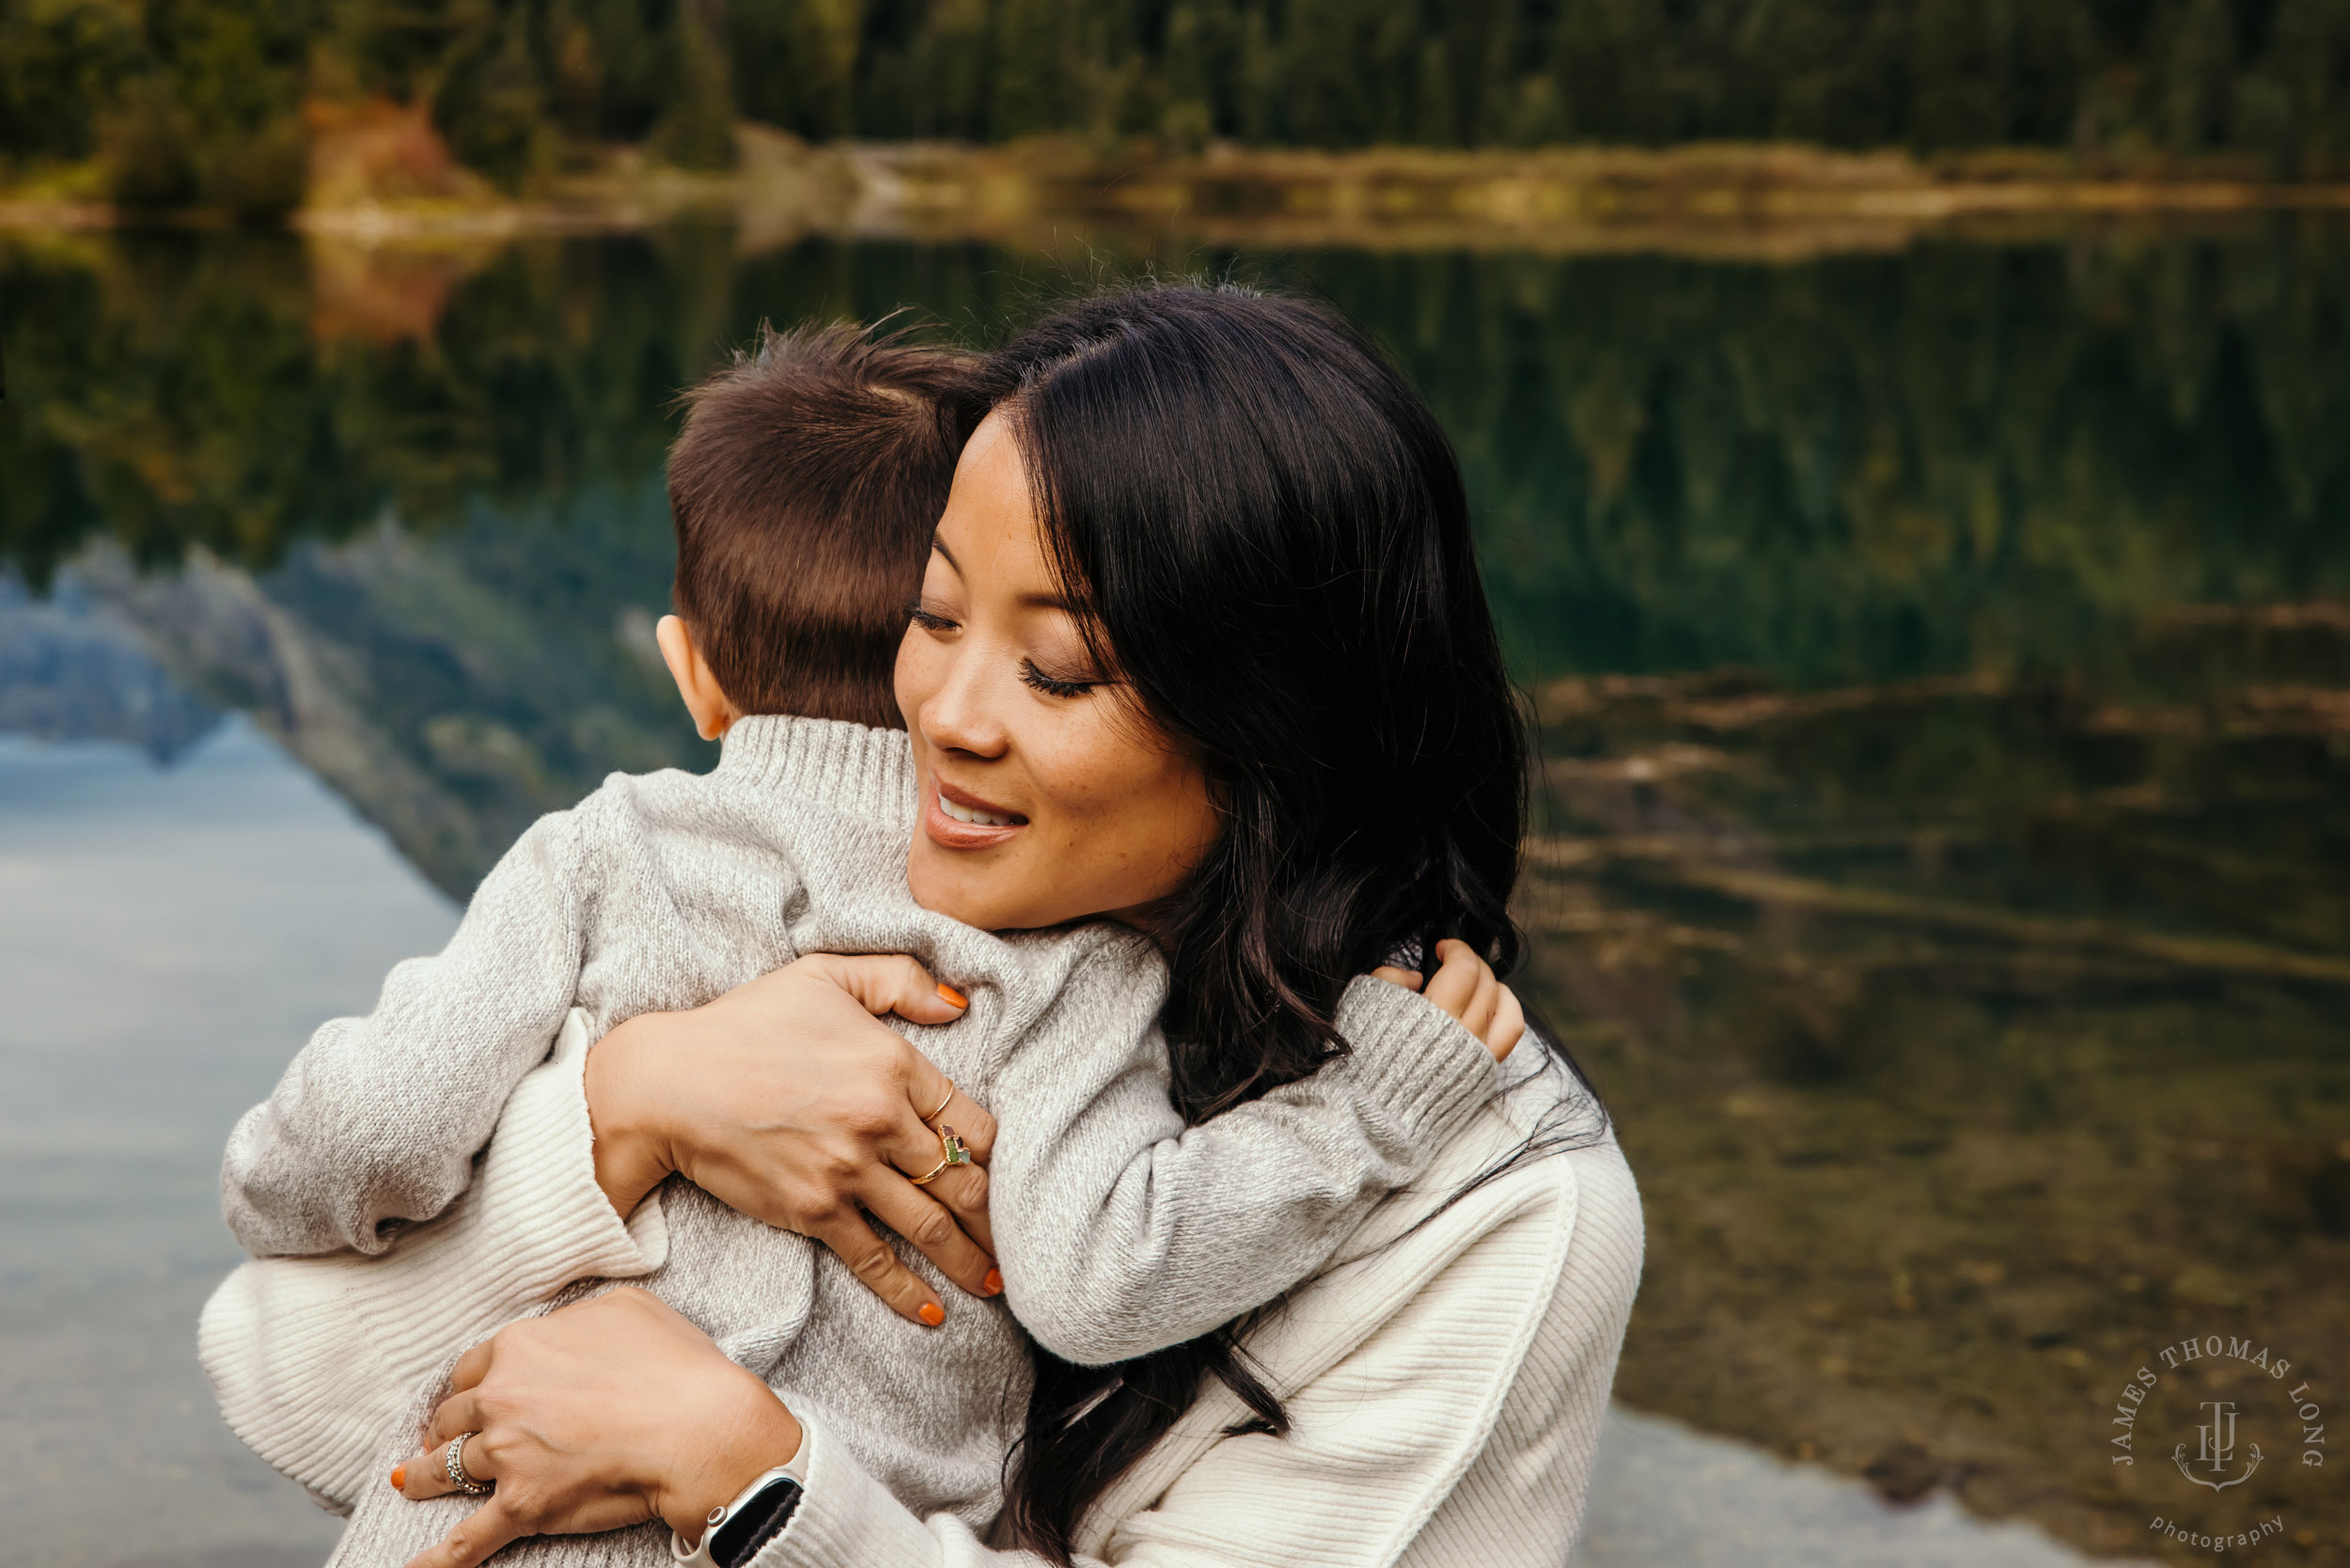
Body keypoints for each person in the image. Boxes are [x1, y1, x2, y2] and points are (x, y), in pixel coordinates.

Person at [350, 282, 1644, 1568]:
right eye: (933, 614)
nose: (946, 716)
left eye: (1059, 670)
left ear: (1282, 729)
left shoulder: (1504, 1210)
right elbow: (283, 1376)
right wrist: (626, 1112)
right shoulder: (873, 926)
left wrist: (741, 1472)